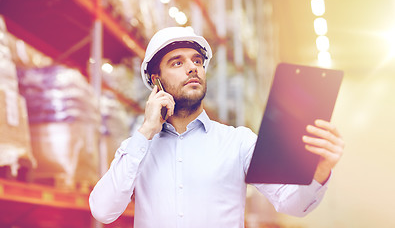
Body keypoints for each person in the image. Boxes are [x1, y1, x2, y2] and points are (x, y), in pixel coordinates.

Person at [89, 27, 344, 228]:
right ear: (157, 82)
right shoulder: (137, 149)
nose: (192, 67)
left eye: (197, 61)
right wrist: (145, 132)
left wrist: (319, 170)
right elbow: (103, 210)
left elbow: (292, 205)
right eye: (177, 63)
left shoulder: (239, 143)